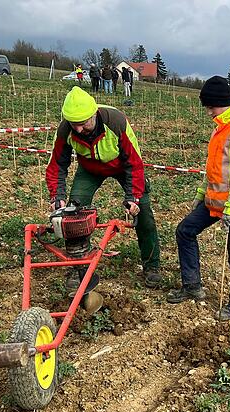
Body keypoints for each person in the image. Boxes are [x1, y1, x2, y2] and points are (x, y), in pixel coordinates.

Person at [46, 87, 163, 313]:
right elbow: (57, 164)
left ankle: (152, 267)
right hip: (89, 170)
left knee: (144, 213)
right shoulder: (66, 130)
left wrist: (134, 198)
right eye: (73, 124)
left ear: (94, 114)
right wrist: (56, 195)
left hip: (122, 166)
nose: (78, 129)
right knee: (72, 213)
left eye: (83, 123)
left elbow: (134, 163)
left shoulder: (116, 121)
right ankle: (77, 268)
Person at [168, 76, 230, 321]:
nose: (208, 111)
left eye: (211, 106)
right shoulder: (221, 127)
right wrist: (201, 194)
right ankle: (192, 286)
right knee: (185, 231)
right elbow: (215, 168)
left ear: (223, 102)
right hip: (213, 202)